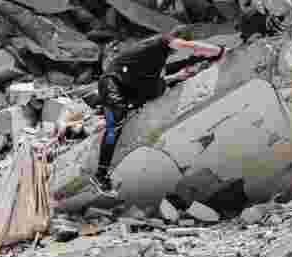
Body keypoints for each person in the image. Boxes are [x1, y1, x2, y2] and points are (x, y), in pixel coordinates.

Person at [93, 26, 225, 194]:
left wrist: (187, 69)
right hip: (111, 83)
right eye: (178, 46)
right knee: (116, 121)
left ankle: (120, 111)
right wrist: (218, 51)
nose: (177, 53)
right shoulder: (162, 41)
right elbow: (192, 47)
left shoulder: (157, 59)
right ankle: (100, 174)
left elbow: (171, 70)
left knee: (160, 87)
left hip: (129, 89)